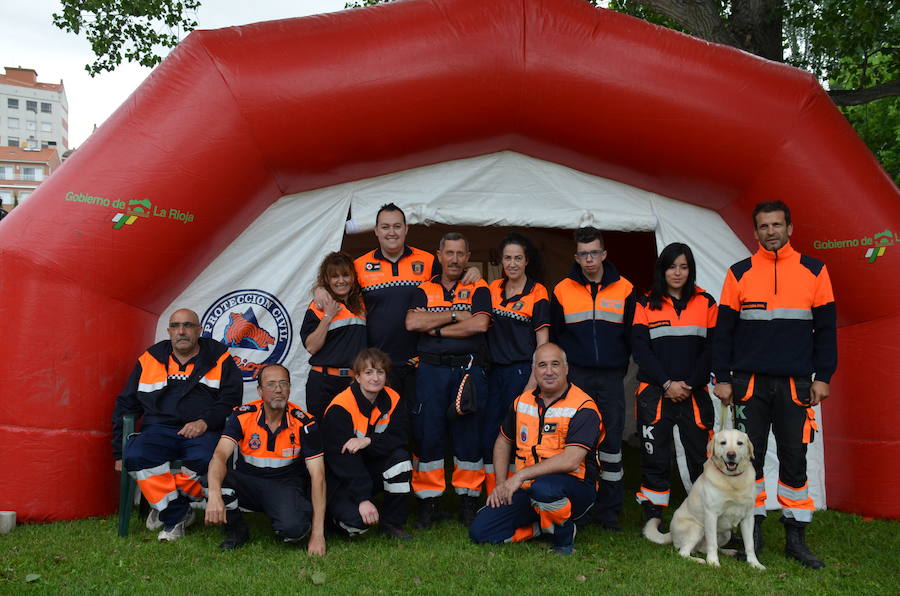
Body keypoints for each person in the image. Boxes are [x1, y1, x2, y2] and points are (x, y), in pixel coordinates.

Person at [712, 200, 836, 569]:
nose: (771, 232)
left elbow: (827, 331)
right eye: (764, 226)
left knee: (795, 460)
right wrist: (722, 378)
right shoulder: (739, 273)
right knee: (749, 458)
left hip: (796, 384)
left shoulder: (815, 271)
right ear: (754, 232)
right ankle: (754, 530)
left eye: (777, 225)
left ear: (790, 228)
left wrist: (824, 376)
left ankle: (796, 538)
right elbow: (724, 332)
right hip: (748, 383)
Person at [112, 308, 242, 541]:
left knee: (206, 460)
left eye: (188, 325)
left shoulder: (220, 357)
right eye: (176, 326)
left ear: (199, 330)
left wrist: (205, 422)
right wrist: (117, 452)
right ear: (169, 331)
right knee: (136, 454)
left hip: (202, 432)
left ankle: (169, 510)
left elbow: (231, 401)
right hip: (158, 430)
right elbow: (126, 405)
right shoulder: (150, 358)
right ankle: (177, 513)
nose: (182, 331)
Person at [469, 343, 604, 555]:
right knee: (480, 532)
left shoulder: (583, 406)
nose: (549, 371)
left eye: (555, 364)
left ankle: (563, 539)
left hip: (574, 489)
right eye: (542, 365)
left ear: (566, 369)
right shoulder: (521, 402)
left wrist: (520, 476)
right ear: (534, 371)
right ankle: (542, 528)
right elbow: (503, 441)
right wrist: (503, 484)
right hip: (528, 488)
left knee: (545, 488)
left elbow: (570, 460)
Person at [339, 203, 480, 405]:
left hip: (421, 361)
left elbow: (453, 273)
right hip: (378, 365)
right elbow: (339, 291)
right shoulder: (359, 266)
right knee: (384, 424)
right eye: (385, 227)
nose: (391, 232)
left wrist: (471, 272)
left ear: (406, 229)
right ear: (376, 231)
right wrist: (319, 289)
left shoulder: (428, 260)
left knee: (418, 425)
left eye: (397, 226)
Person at [549, 227, 635, 531]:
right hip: (579, 376)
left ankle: (610, 512)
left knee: (611, 444)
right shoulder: (562, 290)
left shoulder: (625, 288)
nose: (589, 259)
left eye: (594, 253)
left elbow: (631, 336)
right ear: (576, 256)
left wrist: (619, 367)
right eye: (583, 254)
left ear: (604, 254)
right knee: (577, 442)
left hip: (612, 377)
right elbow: (557, 337)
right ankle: (581, 506)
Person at [405, 232, 492, 527]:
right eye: (449, 253)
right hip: (430, 371)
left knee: (469, 433)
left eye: (460, 254)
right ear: (439, 256)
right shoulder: (423, 289)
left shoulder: (479, 286)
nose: (454, 259)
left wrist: (438, 328)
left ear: (468, 257)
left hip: (467, 370)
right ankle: (429, 502)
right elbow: (413, 322)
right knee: (429, 434)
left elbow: (479, 323)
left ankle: (469, 500)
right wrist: (456, 315)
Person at [631, 243, 717, 524]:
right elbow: (641, 350)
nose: (677, 273)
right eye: (671, 266)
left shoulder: (706, 302)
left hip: (694, 392)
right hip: (655, 392)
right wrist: (668, 383)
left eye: (683, 266)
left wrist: (689, 384)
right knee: (655, 455)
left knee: (700, 455)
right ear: (662, 270)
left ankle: (705, 513)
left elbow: (712, 349)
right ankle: (654, 514)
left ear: (690, 270)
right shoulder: (644, 303)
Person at [204, 364, 327, 555]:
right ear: (260, 390)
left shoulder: (305, 422)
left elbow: (318, 477)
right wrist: (213, 494)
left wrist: (318, 534)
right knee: (209, 478)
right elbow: (219, 455)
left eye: (283, 383)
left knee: (294, 531)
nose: (278, 389)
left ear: (289, 389)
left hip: (284, 485)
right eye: (271, 384)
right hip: (248, 483)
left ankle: (285, 517)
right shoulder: (243, 415)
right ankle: (237, 530)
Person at [322, 348, 413, 540]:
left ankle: (392, 524)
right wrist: (362, 498)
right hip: (342, 479)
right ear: (357, 377)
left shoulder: (392, 398)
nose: (375, 378)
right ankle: (331, 518)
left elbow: (401, 437)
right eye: (369, 372)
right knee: (357, 525)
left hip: (371, 468)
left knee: (400, 459)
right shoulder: (340, 407)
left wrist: (369, 441)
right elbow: (341, 460)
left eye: (380, 372)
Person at [483, 233, 550, 494]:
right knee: (491, 433)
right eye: (508, 258)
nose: (512, 263)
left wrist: (533, 382)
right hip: (492, 372)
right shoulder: (491, 289)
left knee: (518, 435)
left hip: (521, 372)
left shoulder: (538, 291)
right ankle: (493, 493)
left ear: (526, 261)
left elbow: (542, 343)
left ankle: (516, 491)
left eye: (518, 258)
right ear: (501, 260)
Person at [301, 252, 367, 420]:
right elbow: (311, 347)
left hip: (352, 382)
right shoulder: (319, 306)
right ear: (327, 279)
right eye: (335, 276)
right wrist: (328, 316)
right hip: (323, 383)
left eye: (345, 275)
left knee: (349, 436)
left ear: (353, 277)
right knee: (321, 437)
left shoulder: (361, 304)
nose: (341, 280)